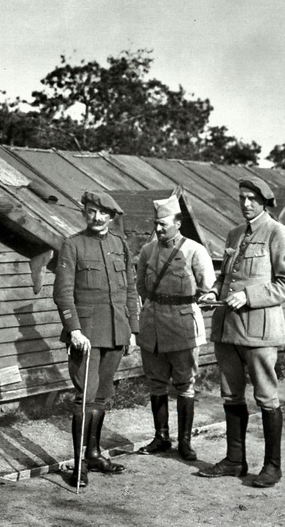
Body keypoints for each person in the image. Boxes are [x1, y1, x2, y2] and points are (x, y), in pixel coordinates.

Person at [197, 178, 285, 488]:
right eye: (242, 197)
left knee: (266, 397)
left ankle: (272, 466)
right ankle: (234, 460)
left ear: (265, 202)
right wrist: (212, 291)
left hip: (259, 332)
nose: (245, 204)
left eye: (252, 199)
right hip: (227, 329)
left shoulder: (278, 233)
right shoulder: (234, 233)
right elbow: (226, 277)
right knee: (230, 394)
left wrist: (249, 296)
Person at [53, 190, 139, 488]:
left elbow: (130, 291)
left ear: (112, 216)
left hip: (116, 330)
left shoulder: (120, 245)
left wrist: (133, 330)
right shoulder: (72, 245)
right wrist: (74, 329)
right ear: (84, 212)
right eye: (91, 211)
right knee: (85, 397)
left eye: (103, 212)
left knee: (103, 396)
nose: (97, 217)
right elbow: (63, 291)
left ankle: (93, 453)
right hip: (86, 335)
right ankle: (78, 466)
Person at [135, 195, 215, 461]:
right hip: (153, 325)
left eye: (164, 224)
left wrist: (209, 298)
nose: (159, 229)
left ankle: (185, 442)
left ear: (178, 223)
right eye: (156, 224)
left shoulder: (195, 250)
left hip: (182, 327)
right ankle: (161, 438)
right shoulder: (147, 251)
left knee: (184, 384)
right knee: (156, 383)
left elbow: (209, 289)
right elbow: (141, 288)